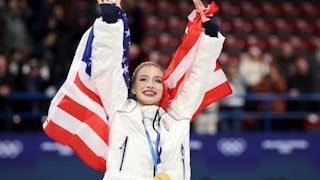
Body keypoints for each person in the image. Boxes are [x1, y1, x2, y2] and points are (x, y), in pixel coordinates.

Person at [92, 0, 224, 179]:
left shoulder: (178, 116)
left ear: (164, 88)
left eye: (157, 80)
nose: (150, 85)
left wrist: (210, 34)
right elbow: (107, 68)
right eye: (143, 79)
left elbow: (198, 76)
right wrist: (109, 22)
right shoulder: (120, 110)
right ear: (133, 87)